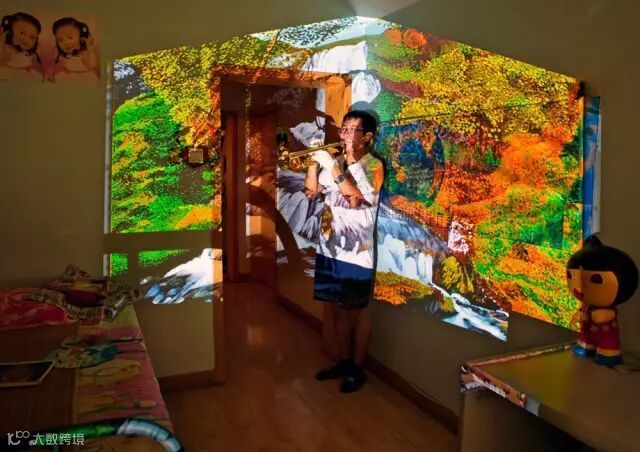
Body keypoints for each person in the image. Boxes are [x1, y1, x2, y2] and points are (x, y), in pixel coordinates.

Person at [305, 110, 384, 393]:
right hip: (329, 250)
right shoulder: (335, 162)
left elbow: (355, 200)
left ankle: (357, 368)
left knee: (356, 312)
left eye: (352, 130)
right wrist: (313, 162)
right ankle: (342, 362)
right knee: (336, 311)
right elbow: (312, 191)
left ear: (367, 137)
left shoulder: (374, 166)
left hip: (356, 255)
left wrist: (334, 167)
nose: (345, 135)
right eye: (344, 129)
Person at [51, 17, 99, 81]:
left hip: (86, 78)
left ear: (81, 36)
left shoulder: (85, 53)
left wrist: (89, 48)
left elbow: (91, 65)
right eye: (60, 40)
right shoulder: (62, 56)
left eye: (70, 37)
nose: (66, 43)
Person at [0, 12, 43, 81]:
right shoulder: (3, 47)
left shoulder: (30, 56)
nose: (26, 39)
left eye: (32, 37)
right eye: (22, 33)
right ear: (9, 31)